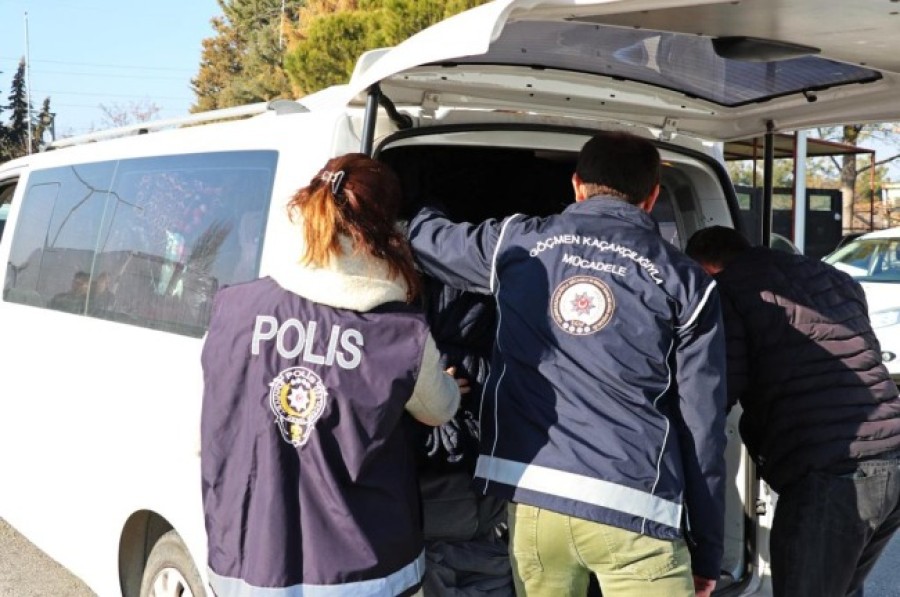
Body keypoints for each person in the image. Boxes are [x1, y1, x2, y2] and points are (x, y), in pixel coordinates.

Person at [407, 130, 728, 597]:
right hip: (634, 506)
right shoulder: (689, 282)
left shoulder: (516, 243)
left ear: (577, 185)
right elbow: (703, 426)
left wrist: (423, 201)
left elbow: (426, 240)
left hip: (532, 499)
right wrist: (708, 547)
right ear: (652, 196)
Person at [200, 153, 463, 597]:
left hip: (246, 561)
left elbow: (214, 420)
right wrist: (448, 382)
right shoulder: (399, 335)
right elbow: (440, 410)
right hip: (365, 573)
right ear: (389, 228)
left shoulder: (233, 308)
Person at [684, 225, 900, 597]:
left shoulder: (728, 290)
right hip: (891, 451)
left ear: (705, 268)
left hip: (832, 470)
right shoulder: (830, 276)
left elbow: (716, 390)